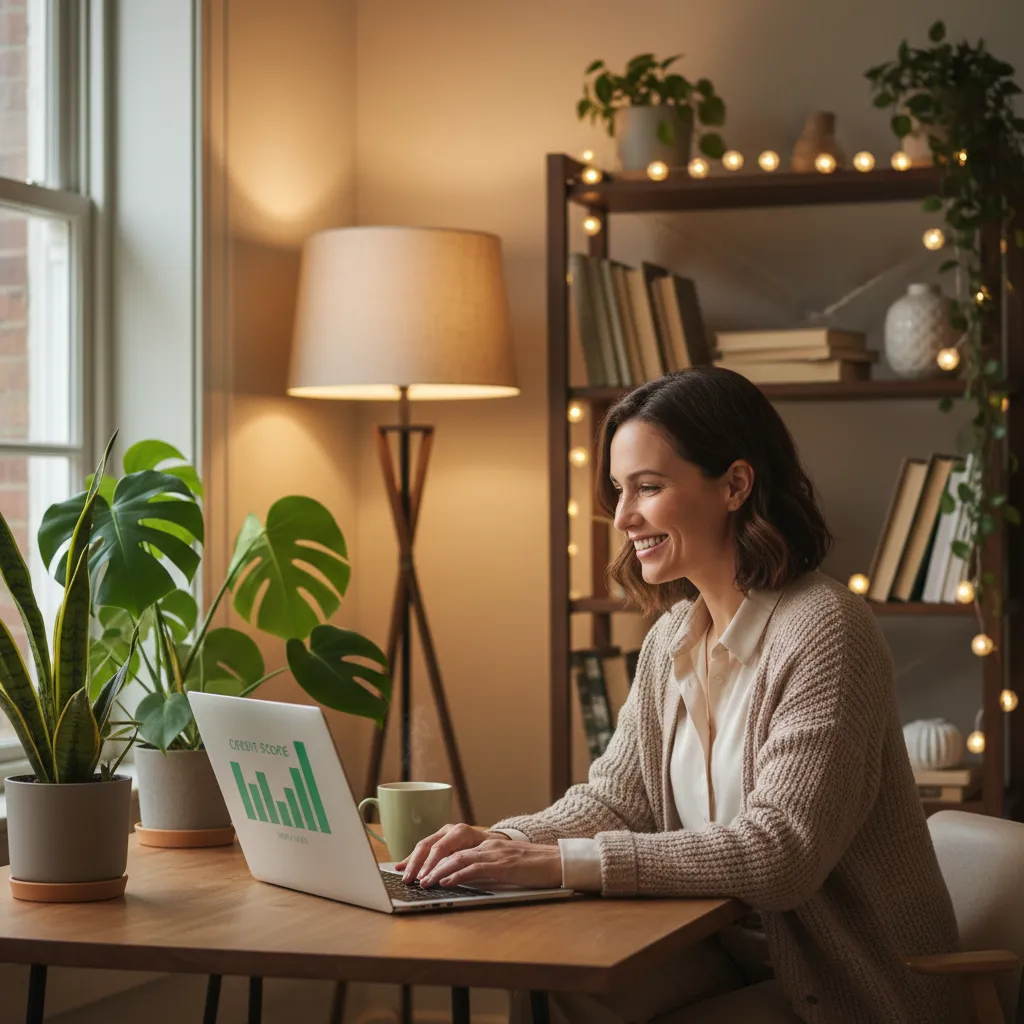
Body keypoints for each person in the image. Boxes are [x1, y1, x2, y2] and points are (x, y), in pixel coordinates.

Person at [398, 368, 964, 1023]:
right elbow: (616, 799)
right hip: (724, 958)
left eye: (648, 486)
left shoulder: (826, 629)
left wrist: (555, 864)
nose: (623, 515)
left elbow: (779, 853)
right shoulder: (674, 635)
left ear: (734, 485)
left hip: (841, 990)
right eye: (619, 489)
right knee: (549, 974)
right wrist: (495, 845)